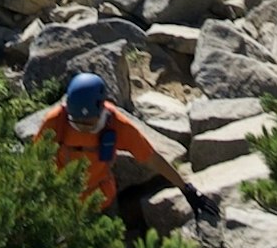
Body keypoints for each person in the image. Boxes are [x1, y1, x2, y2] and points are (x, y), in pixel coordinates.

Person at [42, 60, 193, 233]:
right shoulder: (56, 121)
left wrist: (186, 188)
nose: (83, 129)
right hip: (62, 204)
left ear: (100, 109)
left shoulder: (116, 124)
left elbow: (151, 158)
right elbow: (35, 160)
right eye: (78, 123)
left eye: (89, 124)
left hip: (101, 203)